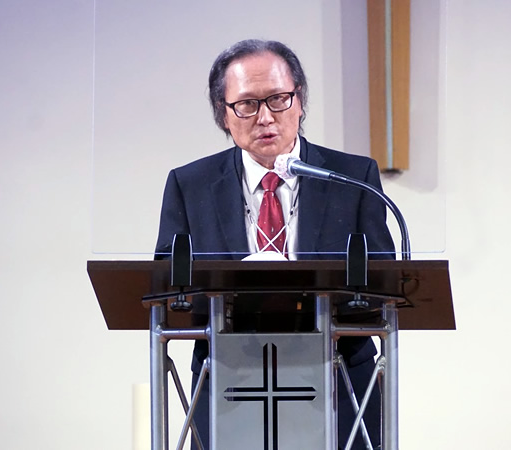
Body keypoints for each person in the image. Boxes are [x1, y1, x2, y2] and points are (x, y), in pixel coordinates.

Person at [155, 39, 394, 450]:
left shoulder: (352, 178)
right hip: (229, 379)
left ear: (300, 101)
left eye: (278, 99)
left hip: (341, 380)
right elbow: (167, 290)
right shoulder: (190, 185)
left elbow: (383, 284)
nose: (265, 117)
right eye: (247, 104)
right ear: (223, 114)